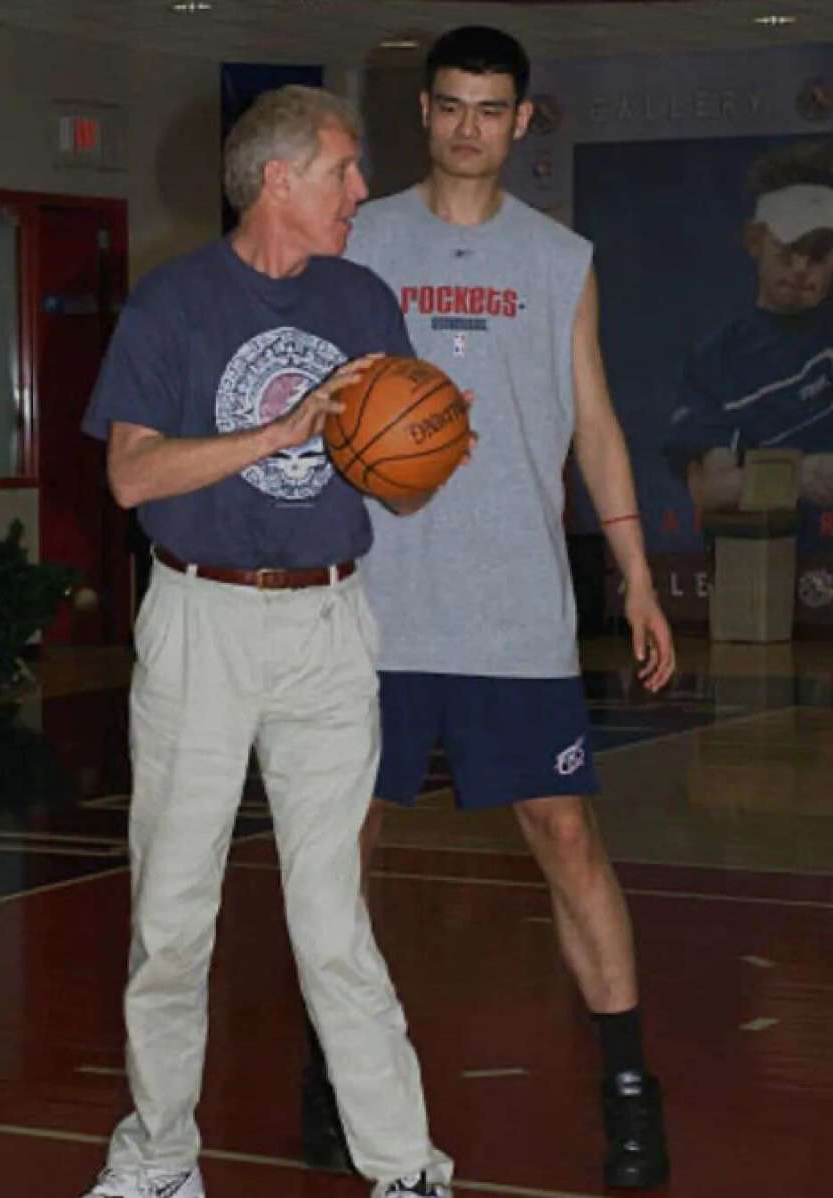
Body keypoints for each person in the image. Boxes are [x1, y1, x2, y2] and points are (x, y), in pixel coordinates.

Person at [301, 26, 675, 1192]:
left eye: (491, 108)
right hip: (369, 609)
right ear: (425, 112)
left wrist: (639, 571)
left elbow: (598, 421)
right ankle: (335, 1068)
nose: (469, 126)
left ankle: (628, 1087)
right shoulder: (360, 238)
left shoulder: (561, 256)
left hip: (514, 610)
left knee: (566, 837)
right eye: (451, 105)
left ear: (524, 122)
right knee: (340, 851)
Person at [79, 84, 454, 1198]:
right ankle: (157, 1160)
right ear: (278, 178)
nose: (361, 189)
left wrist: (417, 456)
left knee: (333, 920)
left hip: (330, 621)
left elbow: (405, 486)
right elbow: (132, 475)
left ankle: (405, 1168)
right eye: (343, 169)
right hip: (204, 619)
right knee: (172, 917)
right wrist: (284, 429)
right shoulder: (173, 305)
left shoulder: (363, 298)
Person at [665, 141, 833, 521]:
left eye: (820, 253)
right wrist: (804, 476)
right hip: (768, 562)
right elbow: (709, 488)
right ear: (755, 241)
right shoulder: (716, 360)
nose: (803, 266)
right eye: (789, 249)